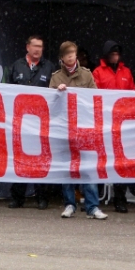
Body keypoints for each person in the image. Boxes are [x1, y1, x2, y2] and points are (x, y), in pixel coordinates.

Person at [49, 41, 108, 220]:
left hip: (84, 127)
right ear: (62, 58)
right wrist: (57, 93)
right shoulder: (56, 77)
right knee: (67, 167)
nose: (71, 57)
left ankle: (92, 206)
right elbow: (50, 105)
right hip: (65, 128)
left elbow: (95, 99)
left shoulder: (87, 75)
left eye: (73, 53)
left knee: (88, 167)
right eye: (67, 54)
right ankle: (69, 204)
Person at [8, 35, 56, 210]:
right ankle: (17, 197)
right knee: (20, 159)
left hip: (40, 122)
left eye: (40, 46)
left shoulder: (49, 67)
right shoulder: (16, 66)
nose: (37, 49)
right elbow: (6, 89)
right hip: (20, 121)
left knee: (39, 160)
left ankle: (42, 197)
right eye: (35, 46)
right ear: (27, 47)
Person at [92, 40, 135, 213]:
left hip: (122, 124)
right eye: (112, 53)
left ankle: (120, 199)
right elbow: (94, 96)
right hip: (104, 123)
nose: (115, 57)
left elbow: (133, 94)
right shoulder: (98, 72)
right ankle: (95, 199)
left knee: (121, 162)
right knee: (99, 161)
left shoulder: (126, 72)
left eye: (117, 54)